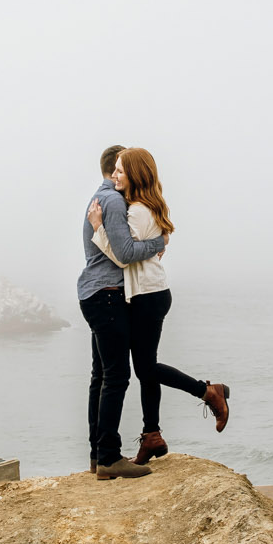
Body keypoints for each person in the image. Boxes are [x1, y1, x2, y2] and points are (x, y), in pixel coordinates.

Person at [88, 147, 230, 465]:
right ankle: (152, 435)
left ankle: (208, 392)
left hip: (148, 297)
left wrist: (98, 228)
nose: (115, 175)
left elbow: (122, 254)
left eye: (121, 171)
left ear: (135, 174)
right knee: (146, 367)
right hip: (151, 294)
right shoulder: (145, 206)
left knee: (146, 369)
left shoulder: (137, 211)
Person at [79, 145, 167, 479]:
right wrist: (159, 243)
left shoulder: (102, 198)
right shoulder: (114, 201)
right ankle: (108, 458)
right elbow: (125, 253)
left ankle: (98, 455)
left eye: (122, 170)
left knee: (101, 376)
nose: (118, 175)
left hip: (96, 292)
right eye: (116, 169)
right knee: (116, 377)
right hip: (108, 295)